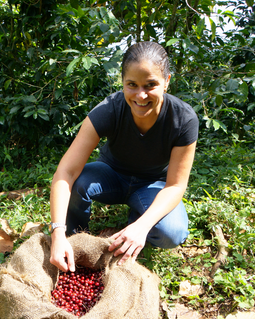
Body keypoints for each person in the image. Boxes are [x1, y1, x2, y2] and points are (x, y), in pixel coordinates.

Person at [49, 41, 199, 272]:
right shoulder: (108, 111)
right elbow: (65, 172)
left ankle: (136, 219)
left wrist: (142, 226)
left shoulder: (183, 120)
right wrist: (57, 233)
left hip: (152, 184)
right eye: (132, 84)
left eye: (151, 85)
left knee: (172, 233)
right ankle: (74, 234)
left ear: (167, 82)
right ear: (122, 83)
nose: (141, 95)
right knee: (78, 181)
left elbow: (176, 186)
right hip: (111, 176)